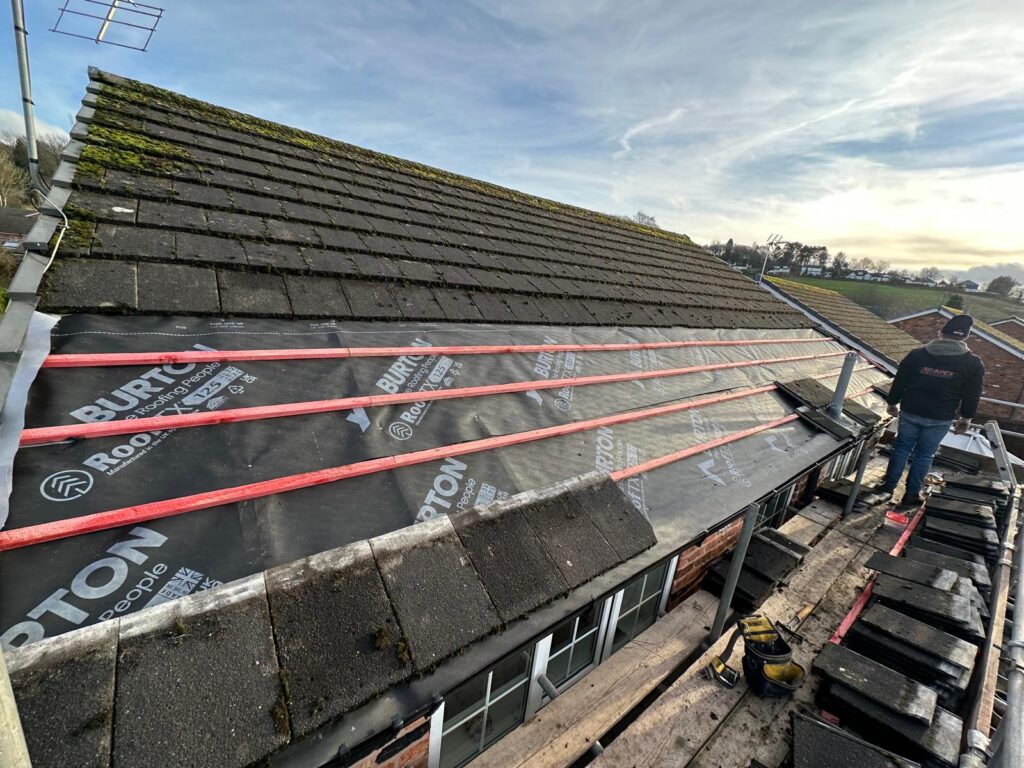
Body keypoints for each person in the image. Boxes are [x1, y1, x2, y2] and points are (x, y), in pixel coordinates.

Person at [878, 314, 985, 508]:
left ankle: (887, 488)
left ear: (941, 333)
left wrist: (892, 403)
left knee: (901, 448)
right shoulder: (973, 363)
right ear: (965, 337)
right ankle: (911, 495)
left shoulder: (917, 355)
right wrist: (966, 418)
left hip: (911, 411)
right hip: (940, 417)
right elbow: (972, 394)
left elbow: (900, 381)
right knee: (925, 455)